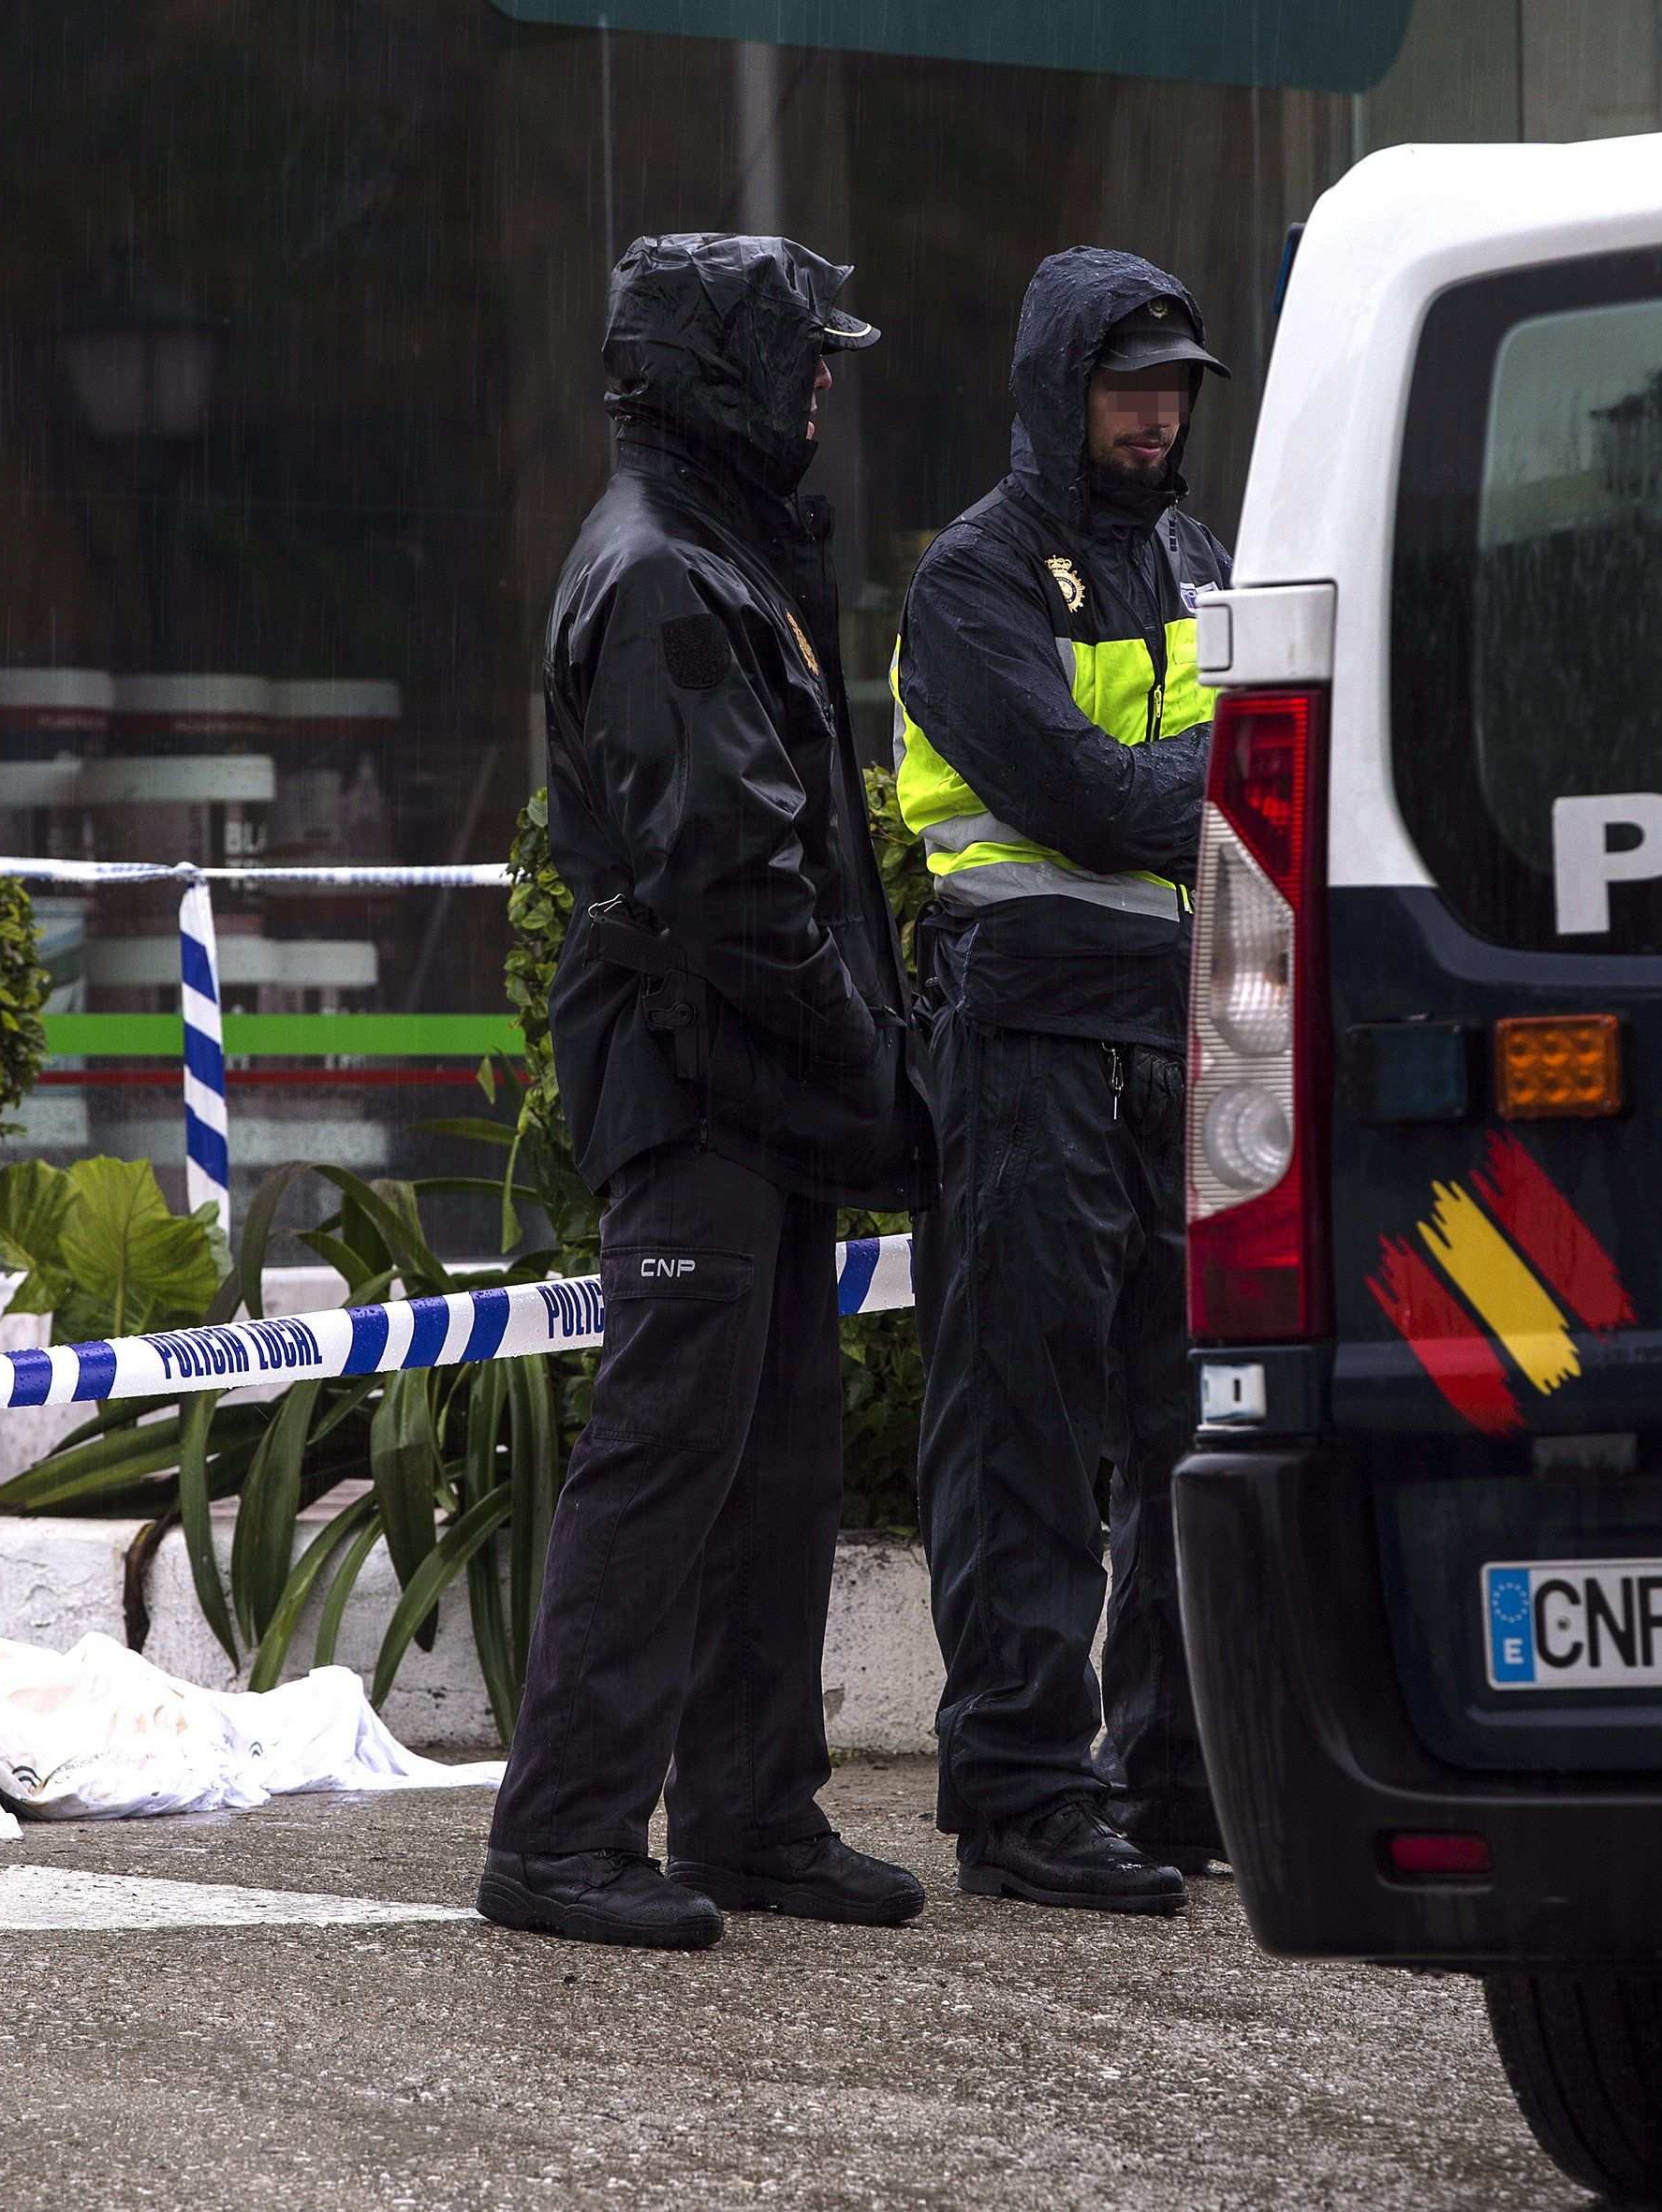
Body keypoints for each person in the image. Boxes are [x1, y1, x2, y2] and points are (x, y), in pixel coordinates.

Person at [478, 233, 926, 1953]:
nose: (825, 383)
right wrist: (862, 1059)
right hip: (698, 1078)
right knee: (671, 1452)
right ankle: (563, 1835)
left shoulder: (719, 551)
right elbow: (736, 873)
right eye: (804, 355)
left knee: (779, 1457)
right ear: (724, 371)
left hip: (751, 1080)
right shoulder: (666, 570)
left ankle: (750, 1812)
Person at [890, 248, 1233, 1914]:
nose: (1155, 416)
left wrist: (1185, 781)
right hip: (1024, 1041)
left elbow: (1192, 776)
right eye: (1126, 387)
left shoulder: (1192, 553)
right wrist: (1219, 774)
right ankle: (1024, 1792)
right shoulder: (972, 581)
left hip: (1183, 1037)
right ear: (1054, 391)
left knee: (1187, 1422)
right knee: (1024, 1430)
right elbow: (1090, 801)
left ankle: (1172, 1777)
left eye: (1173, 388)